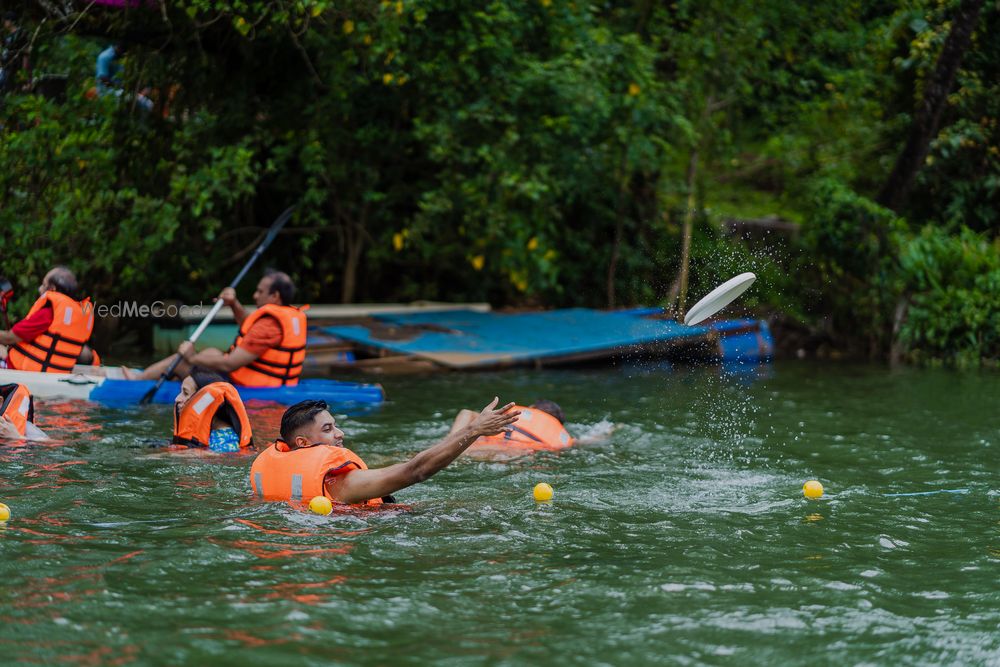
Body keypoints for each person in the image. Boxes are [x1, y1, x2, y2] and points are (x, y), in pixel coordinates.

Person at [250, 398, 520, 507]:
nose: (340, 433)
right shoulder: (339, 482)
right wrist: (473, 430)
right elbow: (416, 471)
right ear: (303, 443)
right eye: (329, 429)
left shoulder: (275, 468)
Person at [125, 270, 308, 386]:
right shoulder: (285, 316)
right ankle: (168, 378)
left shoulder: (269, 325)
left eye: (260, 291)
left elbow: (230, 364)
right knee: (212, 351)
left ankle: (137, 381)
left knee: (181, 361)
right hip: (273, 381)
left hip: (249, 386)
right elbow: (249, 326)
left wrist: (192, 357)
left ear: (275, 296)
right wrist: (234, 304)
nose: (255, 295)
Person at [0, 267, 94, 373]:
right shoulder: (77, 318)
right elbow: (85, 354)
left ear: (52, 288)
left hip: (20, 371)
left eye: (43, 284)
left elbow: (9, 338)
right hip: (53, 375)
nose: (40, 288)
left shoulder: (47, 314)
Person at [449, 399, 575, 456]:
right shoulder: (560, 438)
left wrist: (452, 439)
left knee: (454, 452)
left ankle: (449, 445)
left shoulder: (517, 415)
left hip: (489, 445)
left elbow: (466, 413)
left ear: (531, 408)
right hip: (519, 452)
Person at [172, 370, 253, 453]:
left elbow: (224, 457)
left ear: (203, 402)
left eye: (185, 393)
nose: (177, 398)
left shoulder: (227, 439)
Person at [95, 42, 152, 111]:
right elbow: (103, 79)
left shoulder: (120, 58)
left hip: (120, 91)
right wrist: (119, 86)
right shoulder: (105, 57)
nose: (125, 54)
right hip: (107, 93)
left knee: (148, 104)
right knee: (142, 103)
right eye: (124, 51)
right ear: (119, 48)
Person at [0, 12, 30, 95]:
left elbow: (25, 53)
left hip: (15, 68)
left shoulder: (20, 34)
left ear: (11, 21)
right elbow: (5, 51)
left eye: (6, 20)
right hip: (6, 67)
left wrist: (24, 72)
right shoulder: (7, 37)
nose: (4, 22)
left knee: (11, 91)